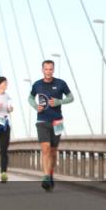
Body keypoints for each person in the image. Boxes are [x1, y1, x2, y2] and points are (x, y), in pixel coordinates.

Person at [29, 60, 74, 191]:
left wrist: (60, 101)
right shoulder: (37, 84)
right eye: (46, 69)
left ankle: (50, 173)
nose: (48, 72)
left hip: (57, 121)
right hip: (42, 121)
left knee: (53, 152)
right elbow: (30, 98)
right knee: (46, 149)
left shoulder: (61, 83)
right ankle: (46, 177)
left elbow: (71, 98)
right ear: (42, 70)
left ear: (53, 70)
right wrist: (35, 106)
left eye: (50, 69)